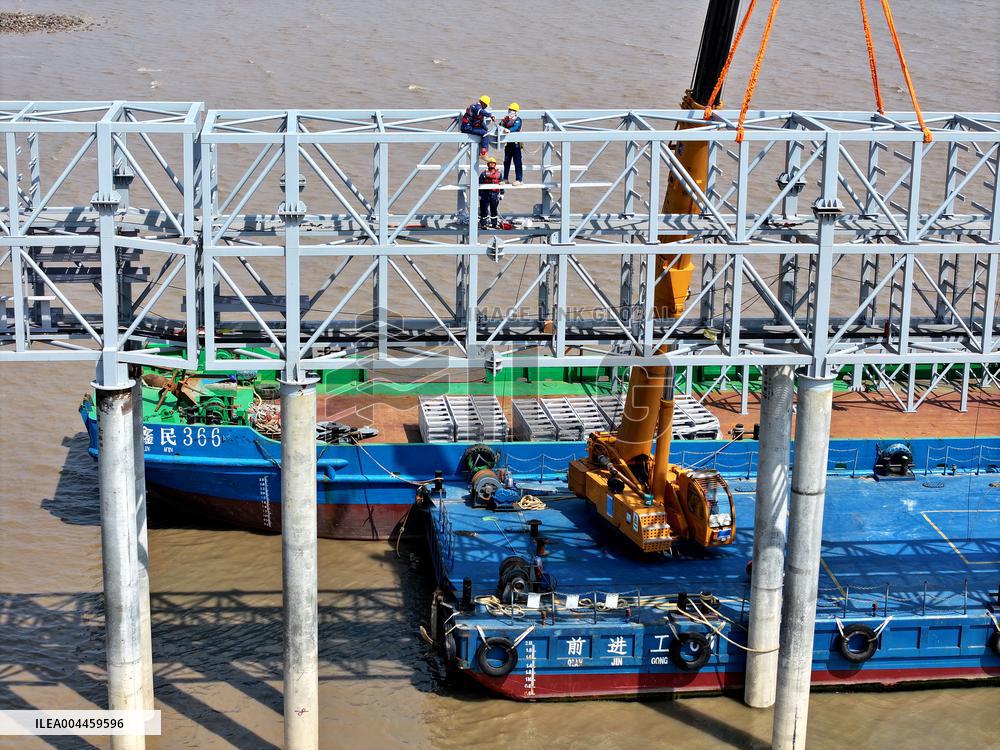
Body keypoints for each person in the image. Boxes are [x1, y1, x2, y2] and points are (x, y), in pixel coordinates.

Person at [499, 102, 523, 184]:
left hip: (516, 144)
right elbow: (500, 125)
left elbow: (516, 127)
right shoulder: (506, 119)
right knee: (506, 161)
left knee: (517, 162)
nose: (510, 111)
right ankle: (505, 179)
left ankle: (519, 179)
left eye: (512, 110)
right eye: (509, 109)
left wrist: (509, 130)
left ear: (515, 111)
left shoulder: (518, 120)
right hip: (508, 144)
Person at [478, 156, 504, 229]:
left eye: (493, 163)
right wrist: (479, 195)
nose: (492, 165)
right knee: (484, 210)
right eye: (490, 163)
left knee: (494, 210)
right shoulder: (483, 174)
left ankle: (494, 224)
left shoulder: (499, 174)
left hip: (495, 195)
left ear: (495, 165)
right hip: (485, 194)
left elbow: (501, 184)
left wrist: (502, 193)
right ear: (488, 164)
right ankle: (483, 224)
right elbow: (479, 184)